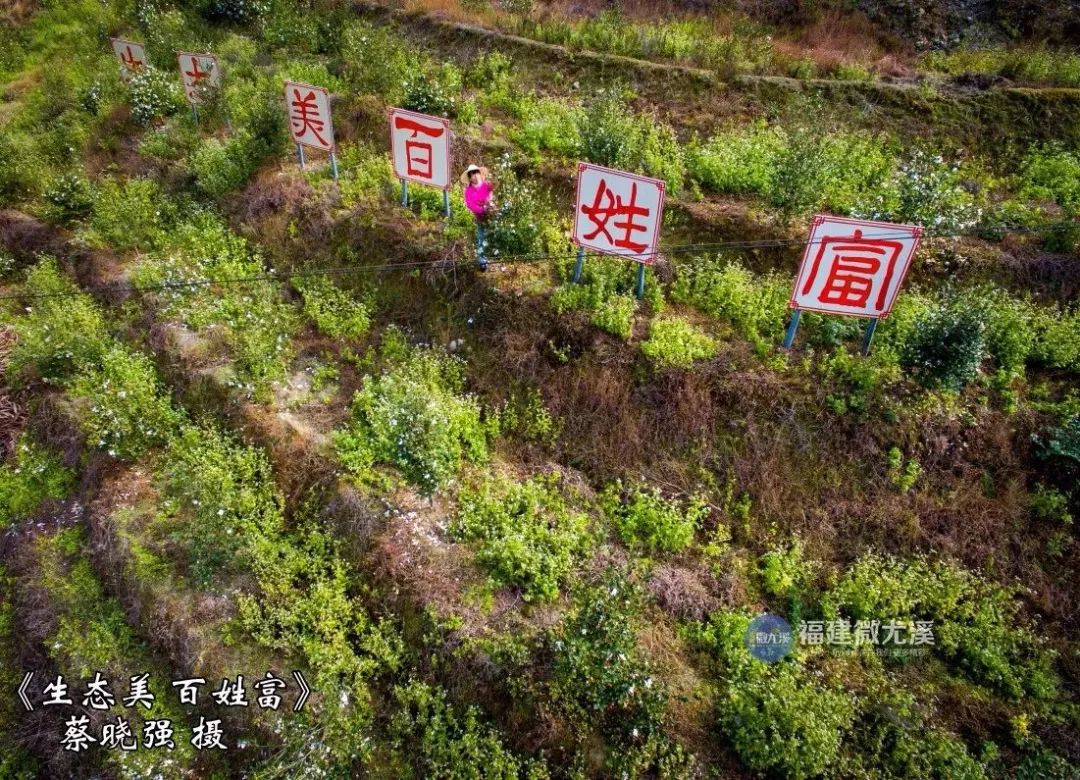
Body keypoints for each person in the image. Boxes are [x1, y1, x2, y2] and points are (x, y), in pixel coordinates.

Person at [462, 164, 493, 270]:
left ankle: (495, 256)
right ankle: (482, 262)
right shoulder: (468, 191)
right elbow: (470, 205)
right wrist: (482, 209)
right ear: (470, 177)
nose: (475, 175)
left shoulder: (485, 185)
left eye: (476, 173)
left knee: (492, 236)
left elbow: (490, 197)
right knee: (481, 238)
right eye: (472, 174)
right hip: (480, 217)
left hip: (490, 215)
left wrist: (489, 205)